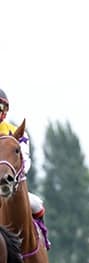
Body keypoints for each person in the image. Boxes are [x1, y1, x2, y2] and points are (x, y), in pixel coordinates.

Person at [0, 88, 51, 249]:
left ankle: (42, 240)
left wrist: (11, 177)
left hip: (12, 184)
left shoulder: (16, 132)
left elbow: (25, 161)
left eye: (0, 107)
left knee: (36, 204)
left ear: (5, 110)